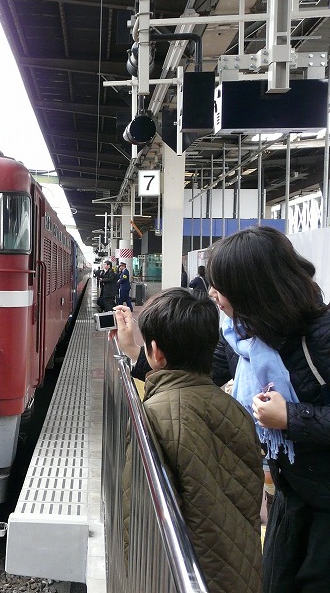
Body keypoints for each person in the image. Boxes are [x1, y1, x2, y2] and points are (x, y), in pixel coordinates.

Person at [114, 226, 330, 593]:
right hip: (292, 491)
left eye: (221, 286)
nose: (213, 294)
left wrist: (292, 418)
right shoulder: (242, 335)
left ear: (252, 288)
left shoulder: (321, 337)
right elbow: (193, 371)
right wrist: (137, 350)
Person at [127, 288, 264, 593]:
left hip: (189, 578)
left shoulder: (153, 416)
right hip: (243, 571)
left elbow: (139, 517)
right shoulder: (235, 410)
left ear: (155, 352)